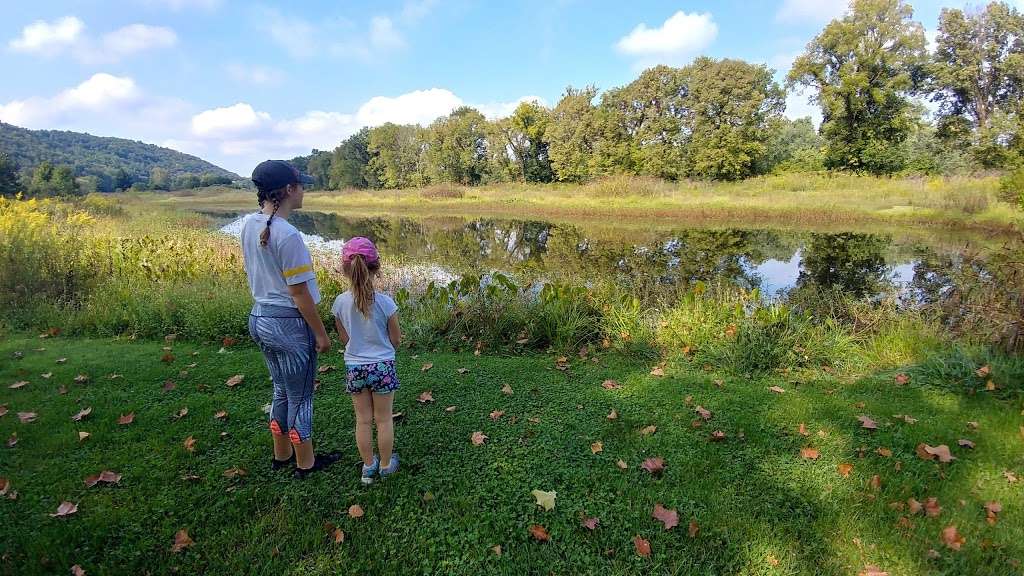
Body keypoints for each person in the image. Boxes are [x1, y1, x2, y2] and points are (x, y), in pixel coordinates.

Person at [242, 159, 340, 479]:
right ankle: (306, 463)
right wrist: (321, 335)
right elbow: (300, 295)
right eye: (301, 186)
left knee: (281, 390)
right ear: (288, 190)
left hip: (260, 318)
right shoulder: (289, 235)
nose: (304, 192)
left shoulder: (248, 225)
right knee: (301, 395)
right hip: (288, 325)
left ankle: (280, 454)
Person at [332, 237, 401, 485]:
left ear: (345, 268)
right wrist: (382, 350)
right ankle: (385, 465)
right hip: (383, 366)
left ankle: (368, 467)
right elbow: (396, 340)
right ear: (376, 267)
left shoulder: (339, 303)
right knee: (384, 419)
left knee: (362, 420)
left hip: (355, 367)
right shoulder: (385, 302)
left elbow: (344, 338)